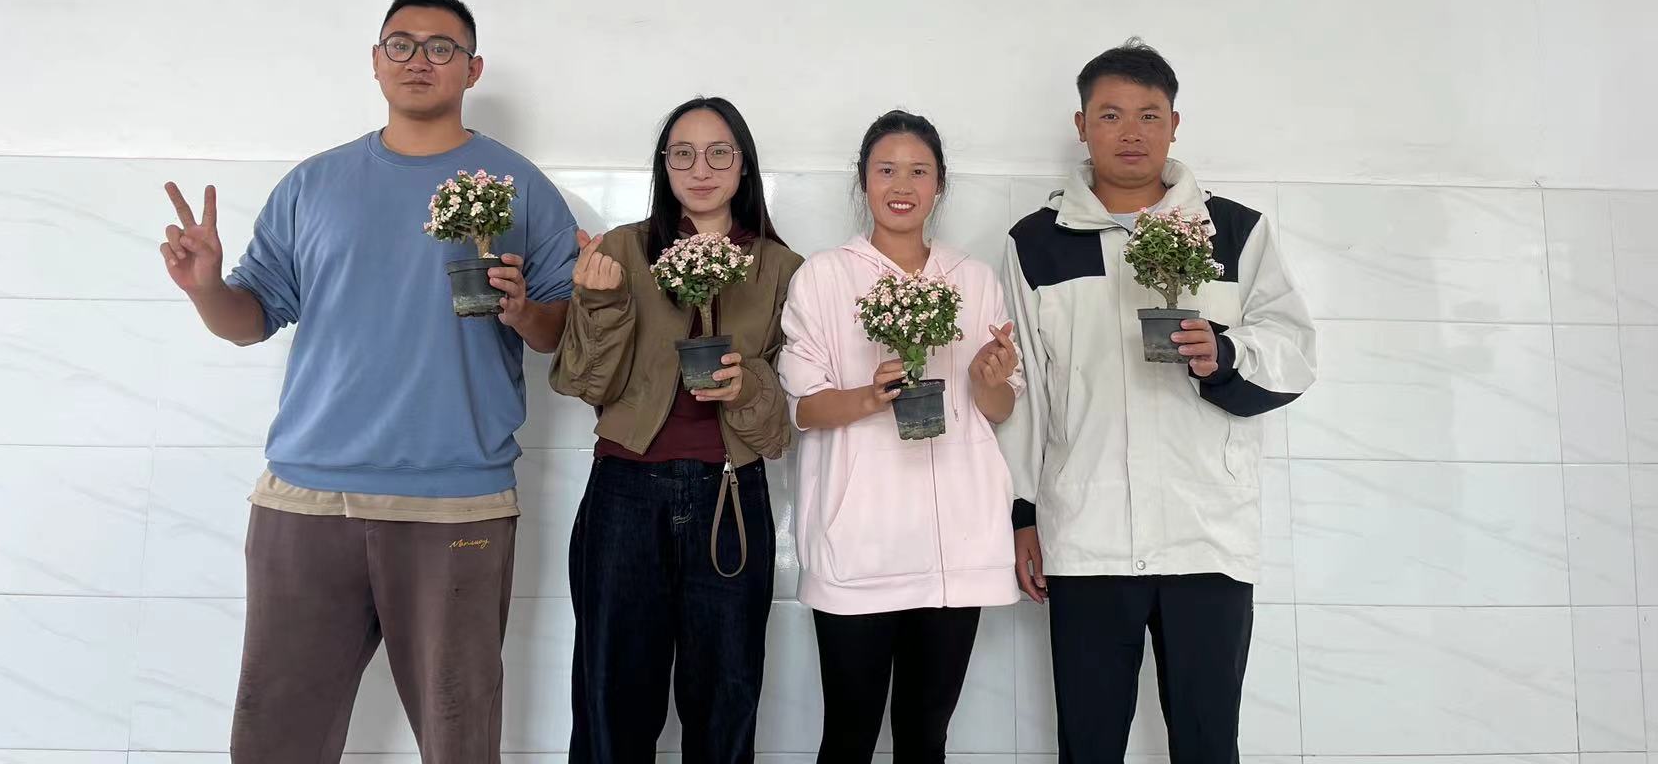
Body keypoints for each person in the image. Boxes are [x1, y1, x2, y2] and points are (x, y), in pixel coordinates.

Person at [157, 0, 580, 764]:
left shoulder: (518, 187)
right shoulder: (313, 185)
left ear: (472, 68)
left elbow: (559, 334)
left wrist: (523, 311)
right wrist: (207, 288)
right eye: (401, 45)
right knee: (275, 737)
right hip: (308, 498)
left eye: (442, 47)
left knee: (460, 740)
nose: (420, 60)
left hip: (457, 500)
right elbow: (250, 320)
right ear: (376, 62)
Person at [999, 39, 1316, 764]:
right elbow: (1028, 392)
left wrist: (1223, 354)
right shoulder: (1035, 244)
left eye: (1149, 114)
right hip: (1087, 534)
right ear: (1081, 125)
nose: (1131, 132)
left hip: (1205, 532)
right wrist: (1022, 514)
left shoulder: (1232, 231)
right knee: (1088, 746)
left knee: (1207, 745)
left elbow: (1293, 351)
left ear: (1175, 124)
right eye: (1110, 114)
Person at [551, 96, 801, 764]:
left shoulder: (780, 269)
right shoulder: (621, 251)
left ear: (743, 165)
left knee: (726, 698)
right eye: (682, 154)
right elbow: (583, 384)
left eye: (719, 153)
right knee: (612, 698)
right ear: (664, 166)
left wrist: (747, 386)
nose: (701, 169)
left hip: (730, 498)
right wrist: (602, 305)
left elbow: (783, 428)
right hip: (624, 493)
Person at [777, 110, 1022, 764]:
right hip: (859, 542)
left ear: (940, 184)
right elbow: (804, 408)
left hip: (953, 546)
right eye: (886, 170)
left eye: (919, 171)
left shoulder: (972, 279)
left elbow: (997, 408)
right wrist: (870, 394)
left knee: (925, 736)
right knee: (849, 735)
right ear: (863, 180)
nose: (902, 185)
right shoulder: (824, 277)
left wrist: (989, 377)